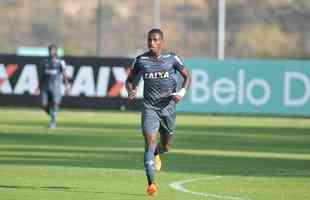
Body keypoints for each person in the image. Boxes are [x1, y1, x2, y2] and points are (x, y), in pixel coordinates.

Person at [126, 28, 191, 196]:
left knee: (167, 146)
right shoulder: (141, 60)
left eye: (155, 40)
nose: (152, 43)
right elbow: (129, 80)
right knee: (149, 143)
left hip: (168, 107)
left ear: (162, 42)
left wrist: (181, 93)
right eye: (149, 40)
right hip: (149, 108)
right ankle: (151, 183)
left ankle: (158, 152)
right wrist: (130, 90)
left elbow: (187, 76)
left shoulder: (171, 59)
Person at [35, 44, 69, 129]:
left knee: (55, 102)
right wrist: (38, 87)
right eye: (50, 50)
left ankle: (52, 121)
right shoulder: (44, 61)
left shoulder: (60, 61)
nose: (51, 52)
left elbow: (64, 74)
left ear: (56, 51)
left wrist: (66, 86)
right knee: (43, 104)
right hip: (45, 86)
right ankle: (52, 114)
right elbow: (42, 75)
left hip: (56, 86)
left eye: (53, 50)